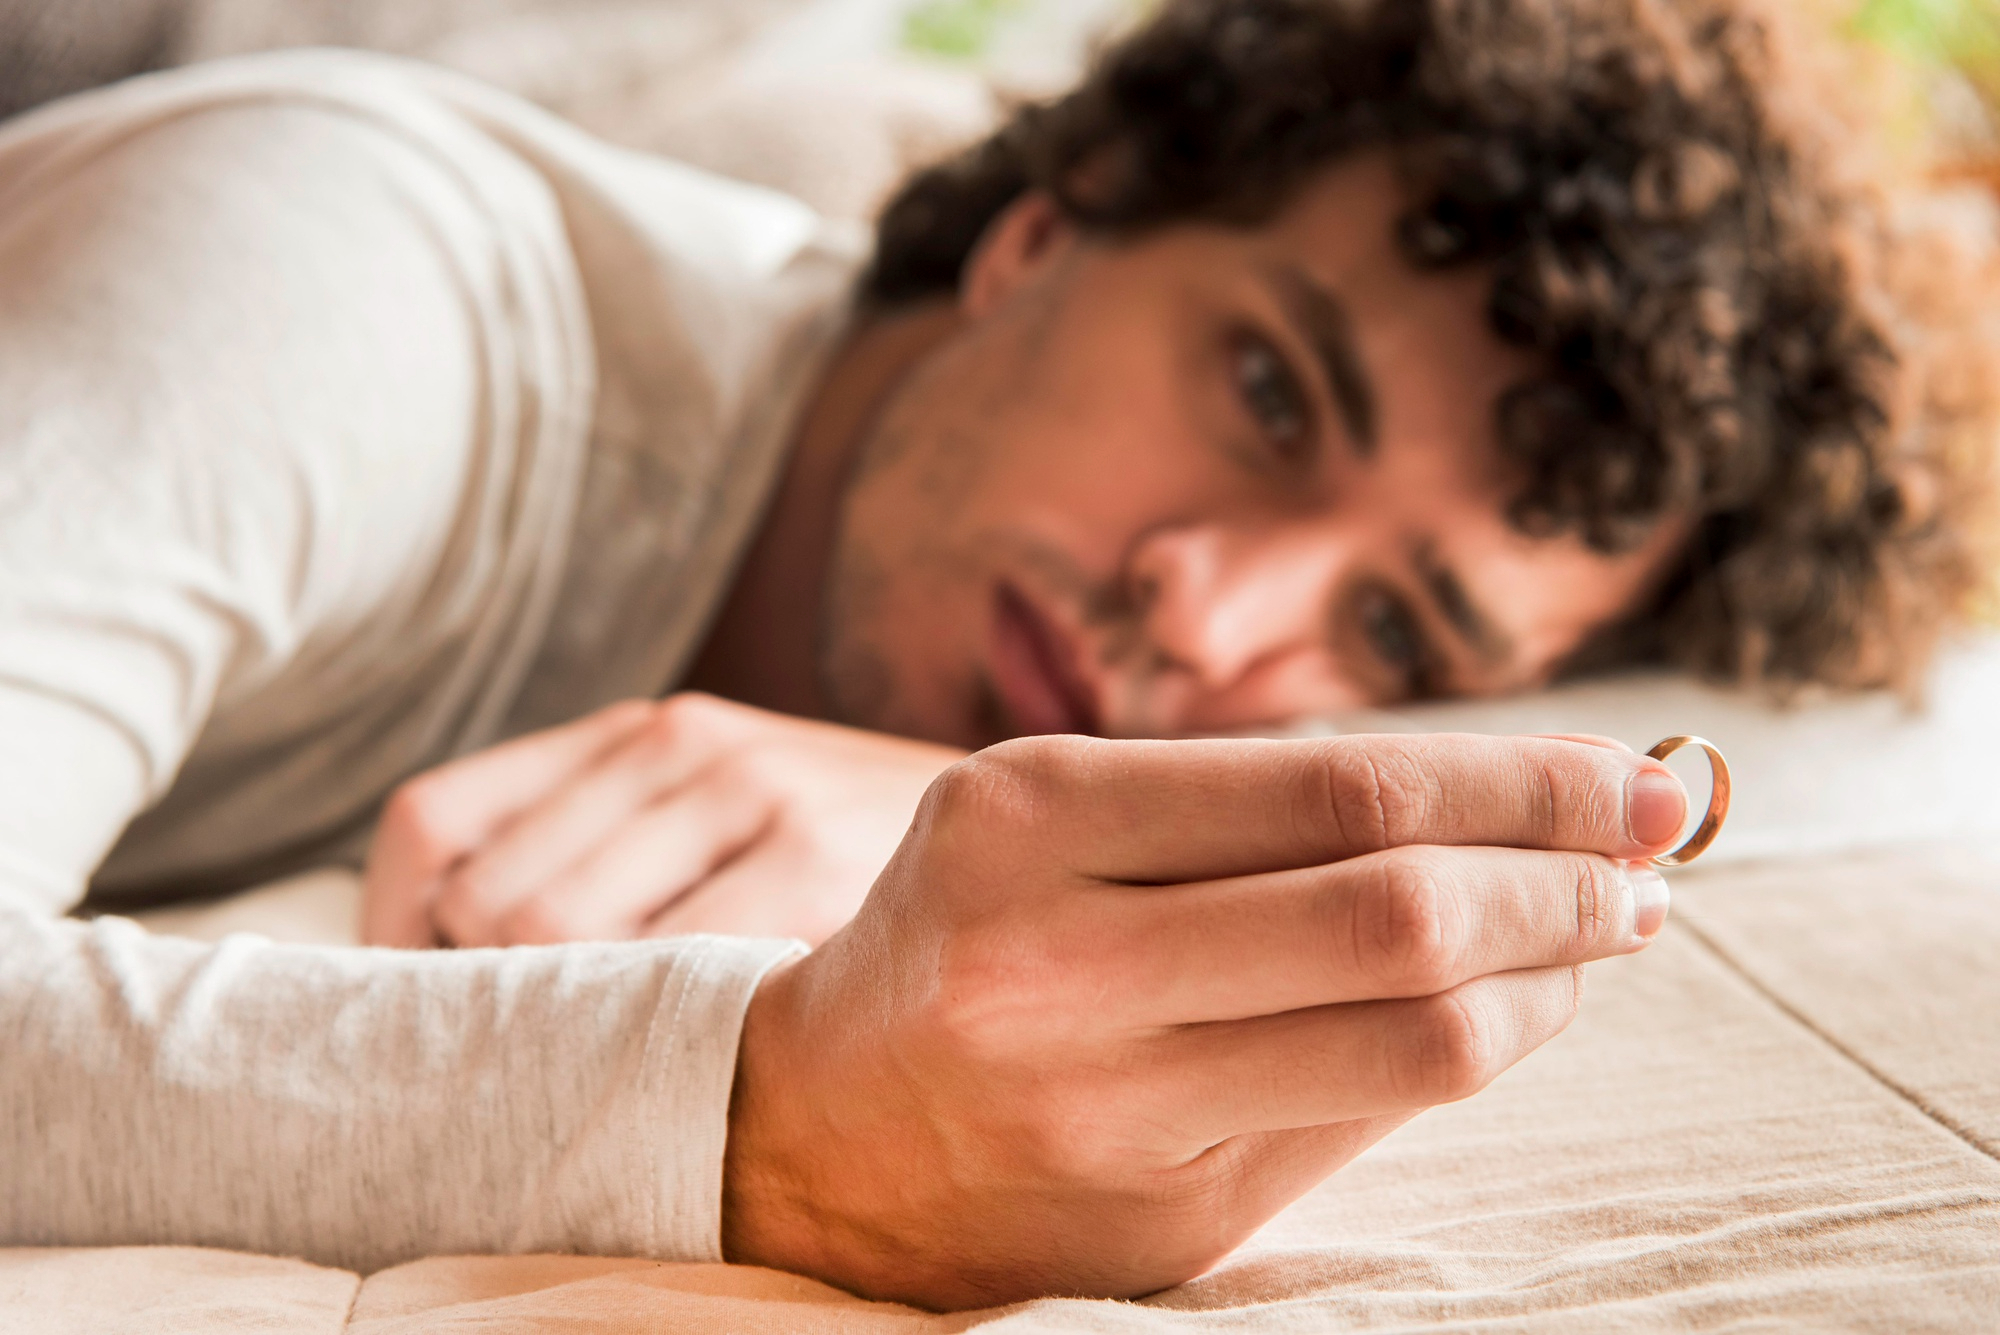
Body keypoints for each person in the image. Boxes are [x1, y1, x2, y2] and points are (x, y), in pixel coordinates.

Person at [2, 0, 1993, 1312]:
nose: (1206, 615)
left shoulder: (1059, 684)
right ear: (1049, 231)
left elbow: (1908, 744)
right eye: (1264, 389)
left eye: (1393, 628)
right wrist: (767, 1121)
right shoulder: (339, 281)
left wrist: (938, 795)